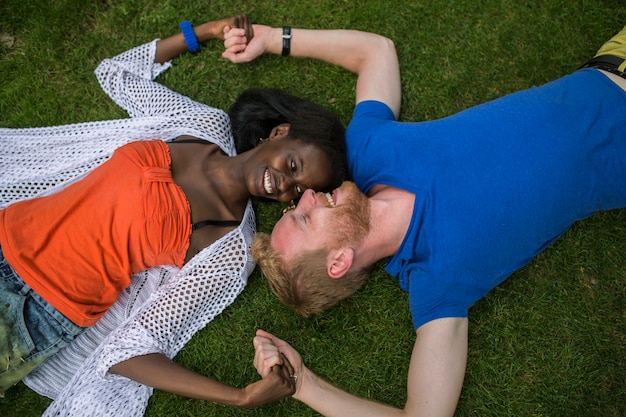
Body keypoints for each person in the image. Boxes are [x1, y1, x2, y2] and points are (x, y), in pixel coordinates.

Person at [222, 20, 626, 417]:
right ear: (339, 260)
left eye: (296, 207)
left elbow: (375, 52)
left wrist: (275, 38)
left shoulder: (367, 151)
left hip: (610, 63)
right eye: (305, 219)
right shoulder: (437, 283)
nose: (307, 195)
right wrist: (305, 384)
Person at [0, 14, 348, 415]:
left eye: (298, 190)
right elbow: (116, 75)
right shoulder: (201, 125)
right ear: (280, 133)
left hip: (38, 313)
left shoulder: (229, 248)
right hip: (10, 229)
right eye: (293, 166)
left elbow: (130, 348)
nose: (284, 185)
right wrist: (203, 32)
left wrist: (241, 396)